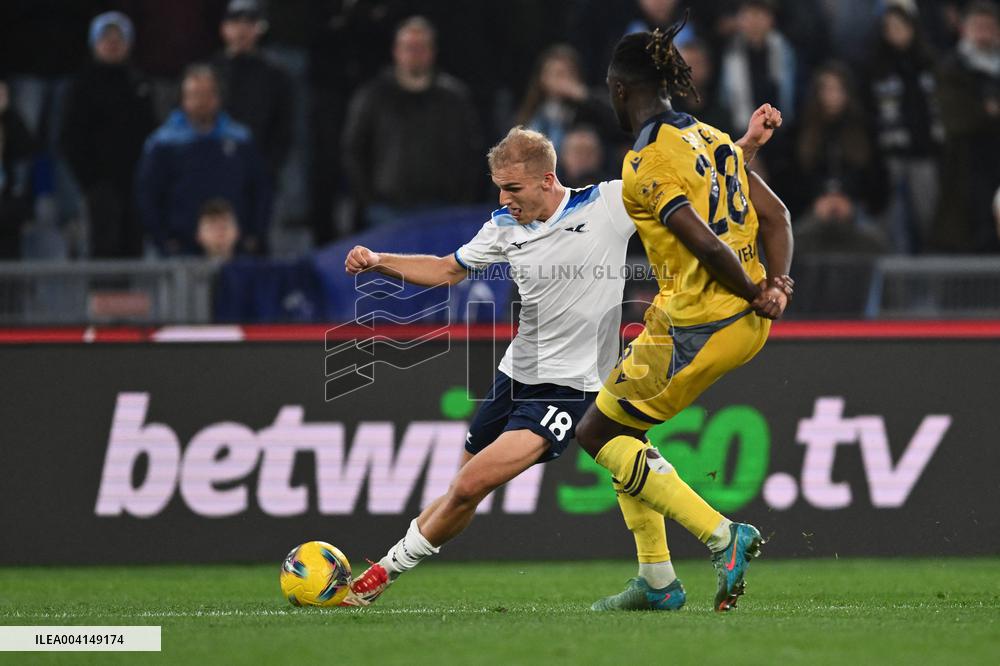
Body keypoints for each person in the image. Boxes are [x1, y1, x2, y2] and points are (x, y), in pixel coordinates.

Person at [340, 104, 785, 607]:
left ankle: (375, 579)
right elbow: (446, 269)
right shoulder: (503, 227)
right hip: (515, 375)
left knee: (470, 483)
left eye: (514, 189)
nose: (505, 200)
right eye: (498, 188)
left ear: (548, 179)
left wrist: (744, 147)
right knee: (462, 491)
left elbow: (699, 188)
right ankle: (659, 581)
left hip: (572, 387)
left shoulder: (610, 205)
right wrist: (380, 261)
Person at [573, 21, 794, 613]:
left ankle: (724, 537)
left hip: (702, 321)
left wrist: (753, 290)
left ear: (620, 89)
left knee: (597, 432)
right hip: (737, 320)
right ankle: (657, 579)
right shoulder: (714, 138)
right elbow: (776, 219)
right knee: (626, 429)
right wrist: (774, 287)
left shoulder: (645, 162)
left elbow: (705, 245)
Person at [342, 16, 482, 229]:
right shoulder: (373, 96)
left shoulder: (454, 98)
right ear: (396, 51)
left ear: (432, 51)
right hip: (387, 209)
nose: (415, 54)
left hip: (443, 208)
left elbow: (471, 151)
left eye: (421, 47)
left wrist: (462, 199)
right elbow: (353, 150)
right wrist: (369, 200)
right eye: (409, 47)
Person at [136, 64, 272, 257]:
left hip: (235, 251)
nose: (202, 101)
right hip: (180, 250)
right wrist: (162, 239)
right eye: (195, 95)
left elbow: (260, 189)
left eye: (208, 94)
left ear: (218, 98)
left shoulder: (240, 139)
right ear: (183, 99)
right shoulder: (162, 143)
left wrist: (254, 234)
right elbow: (148, 195)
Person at [59, 11, 156, 258]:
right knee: (102, 249)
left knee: (133, 247)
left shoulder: (139, 82)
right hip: (99, 186)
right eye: (107, 38)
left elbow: (151, 133)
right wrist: (91, 181)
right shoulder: (81, 86)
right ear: (94, 43)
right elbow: (70, 139)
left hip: (135, 184)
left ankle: (133, 298)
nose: (113, 44)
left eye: (118, 38)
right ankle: (100, 298)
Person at [864, 2, 943, 253]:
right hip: (891, 158)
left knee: (929, 220)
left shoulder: (929, 63)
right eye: (889, 28)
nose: (895, 32)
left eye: (900, 26)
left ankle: (933, 284)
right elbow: (871, 113)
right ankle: (895, 290)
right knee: (892, 226)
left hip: (925, 154)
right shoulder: (875, 66)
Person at [933, 0, 1000, 252]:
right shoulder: (950, 66)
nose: (983, 34)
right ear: (964, 29)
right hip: (963, 168)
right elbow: (957, 119)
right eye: (977, 27)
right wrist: (987, 112)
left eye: (989, 27)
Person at [212, 0, 293, 180]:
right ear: (223, 28)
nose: (242, 30)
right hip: (214, 167)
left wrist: (269, 167)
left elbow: (283, 129)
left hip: (258, 168)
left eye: (249, 23)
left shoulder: (275, 74)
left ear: (260, 28)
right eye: (235, 22)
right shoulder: (209, 71)